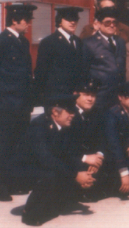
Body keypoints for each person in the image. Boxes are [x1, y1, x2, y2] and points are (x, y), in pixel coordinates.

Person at [0, 3, 37, 201]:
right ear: (14, 20)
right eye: (26, 20)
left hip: (20, 104)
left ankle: (13, 183)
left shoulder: (23, 42)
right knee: (2, 146)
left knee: (17, 145)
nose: (29, 24)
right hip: (4, 104)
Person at [18, 95, 97, 227]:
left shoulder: (63, 125)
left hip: (43, 165)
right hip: (22, 170)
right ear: (55, 112)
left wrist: (82, 172)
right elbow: (46, 159)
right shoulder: (39, 126)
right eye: (69, 111)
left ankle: (54, 204)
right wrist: (75, 175)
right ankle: (30, 213)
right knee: (51, 174)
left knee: (64, 169)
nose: (73, 115)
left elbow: (67, 154)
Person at [35, 6, 89, 101]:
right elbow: (41, 72)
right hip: (56, 95)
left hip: (75, 94)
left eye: (75, 19)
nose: (73, 22)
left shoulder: (78, 41)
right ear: (59, 21)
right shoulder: (49, 42)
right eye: (68, 19)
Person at [69, 78, 107, 201]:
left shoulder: (97, 113)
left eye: (93, 95)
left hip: (93, 161)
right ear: (75, 95)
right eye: (86, 95)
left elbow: (102, 138)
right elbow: (64, 148)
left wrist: (98, 158)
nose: (90, 99)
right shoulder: (68, 113)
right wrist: (86, 158)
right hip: (74, 160)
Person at [83, 6, 126, 110]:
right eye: (107, 22)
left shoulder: (120, 42)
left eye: (114, 22)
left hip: (118, 97)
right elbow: (83, 72)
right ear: (98, 24)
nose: (111, 25)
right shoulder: (89, 43)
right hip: (100, 97)